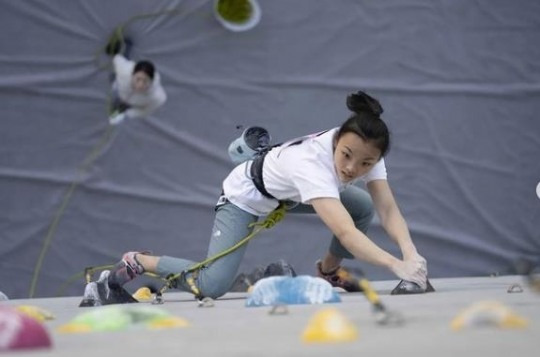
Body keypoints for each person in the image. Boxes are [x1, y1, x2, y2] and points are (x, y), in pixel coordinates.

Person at [83, 90, 428, 304]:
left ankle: (329, 271)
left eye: (366, 162)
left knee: (364, 206)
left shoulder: (366, 152)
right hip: (245, 197)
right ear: (337, 140)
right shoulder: (312, 164)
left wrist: (413, 256)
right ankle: (138, 262)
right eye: (346, 156)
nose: (353, 168)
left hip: (287, 194)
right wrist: (398, 266)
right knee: (211, 286)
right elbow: (346, 233)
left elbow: (387, 207)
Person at [105, 38, 167, 125]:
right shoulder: (124, 70)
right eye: (138, 79)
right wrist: (114, 52)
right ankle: (127, 47)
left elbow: (146, 111)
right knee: (116, 72)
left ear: (151, 81)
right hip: (122, 87)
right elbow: (118, 59)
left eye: (145, 81)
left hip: (129, 102)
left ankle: (118, 108)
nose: (140, 85)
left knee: (115, 114)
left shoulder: (157, 97)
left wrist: (129, 113)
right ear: (132, 75)